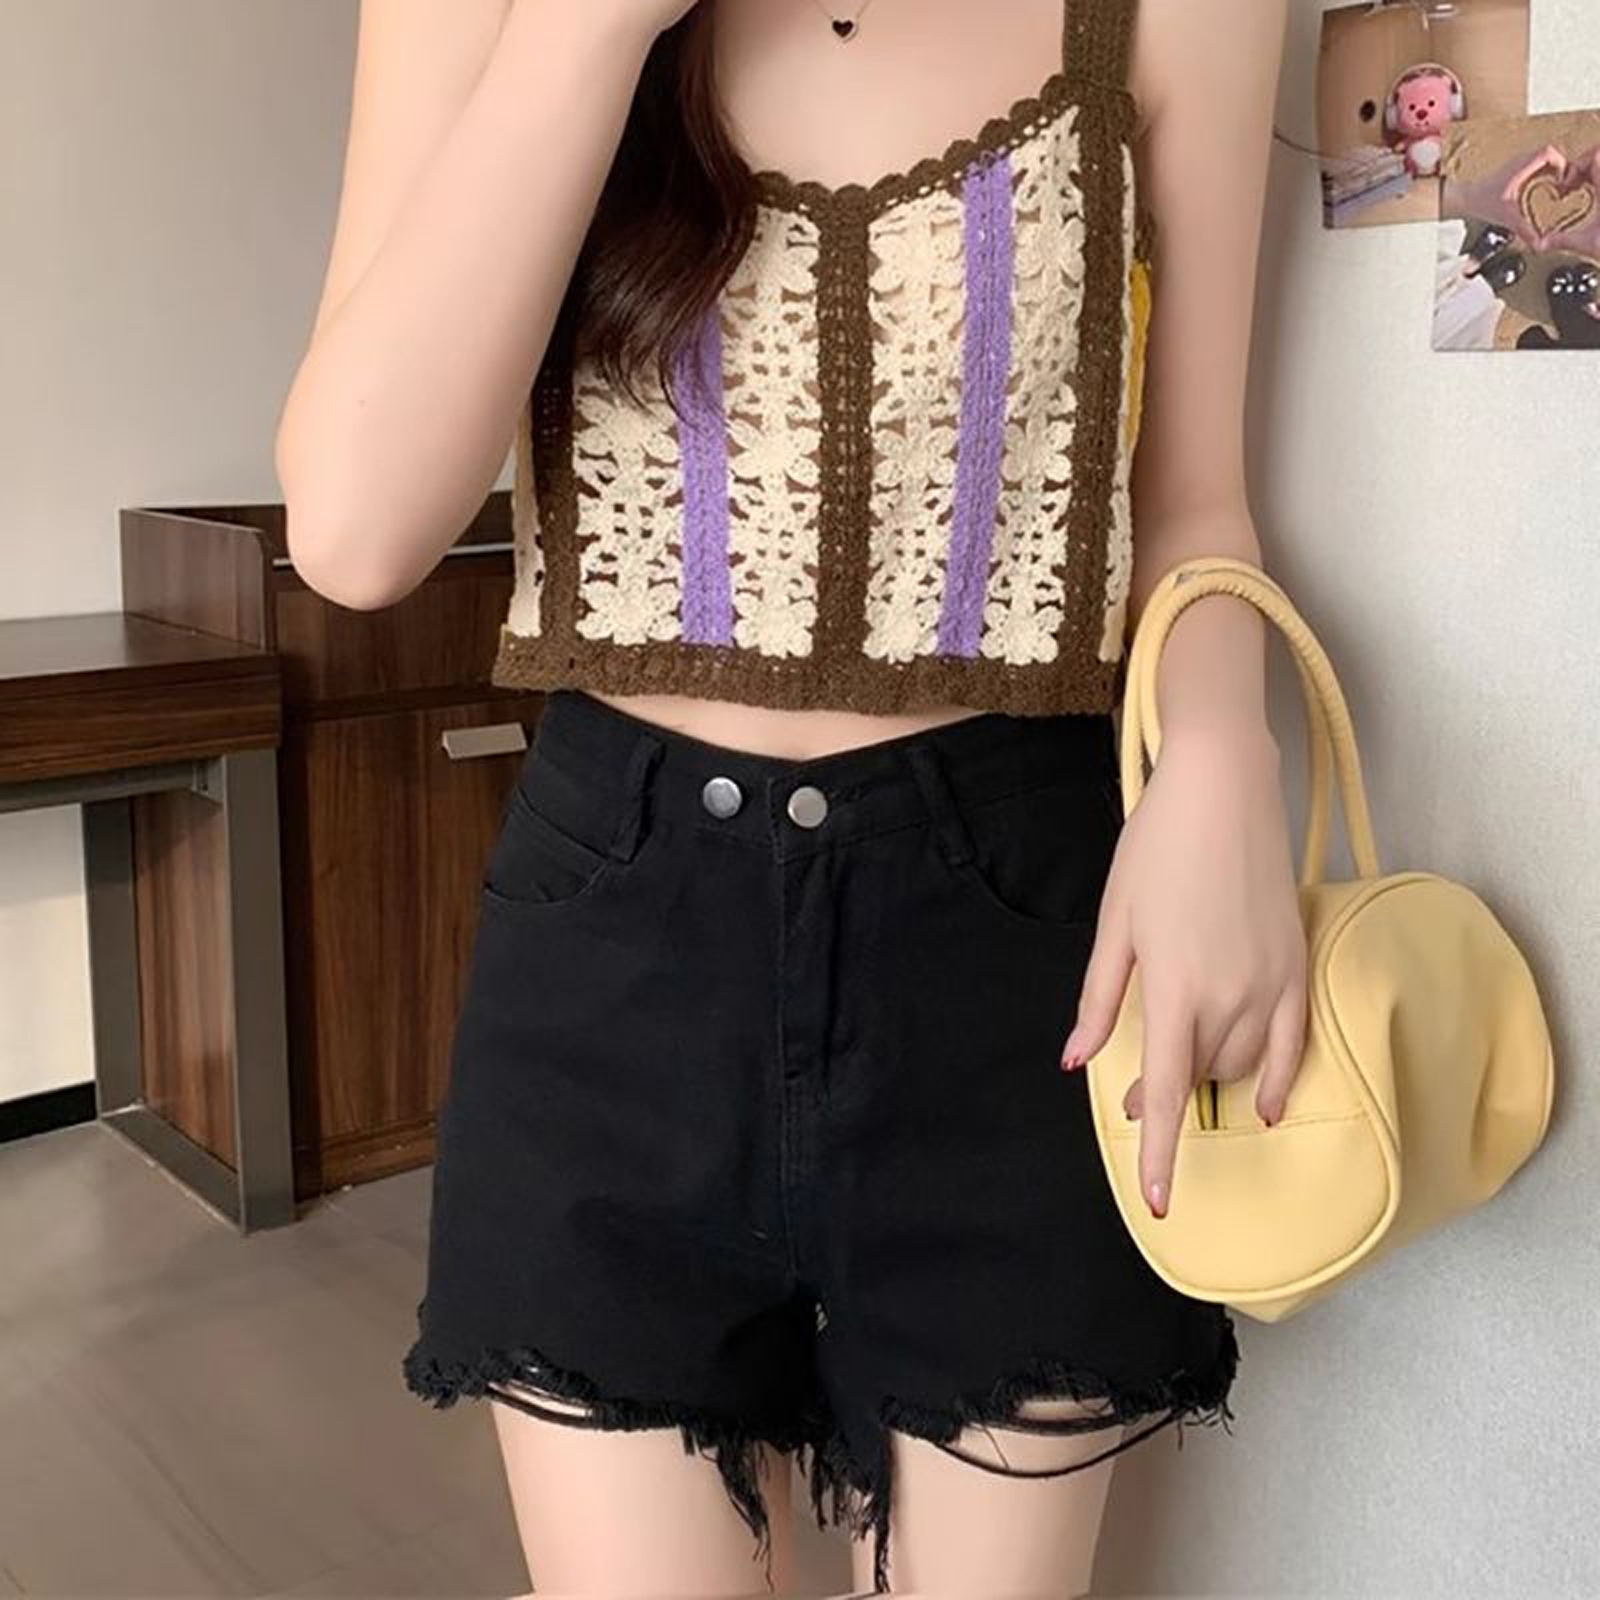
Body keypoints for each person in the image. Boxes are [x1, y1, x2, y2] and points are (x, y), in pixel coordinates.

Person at [275, 0, 1302, 1593]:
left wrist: (1225, 753)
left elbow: (1193, 503)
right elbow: (355, 531)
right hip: (616, 942)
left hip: (1018, 943)